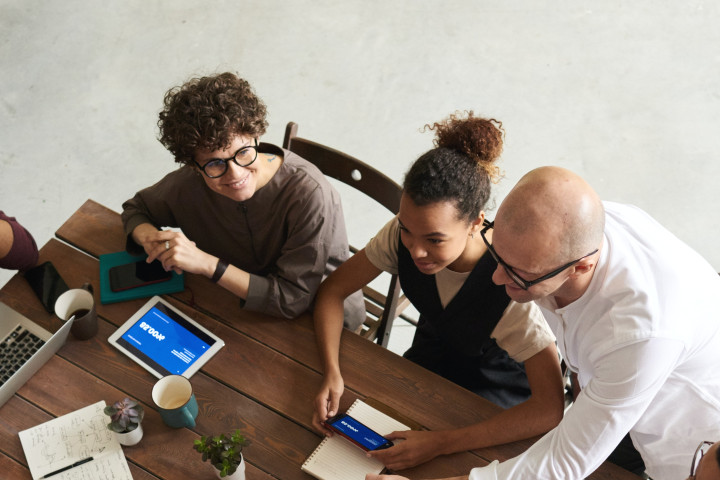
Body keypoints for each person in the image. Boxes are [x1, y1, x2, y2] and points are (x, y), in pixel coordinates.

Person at [371, 166, 720, 480]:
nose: (495, 278)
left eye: (519, 275)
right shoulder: (570, 226)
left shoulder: (640, 333)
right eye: (498, 256)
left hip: (687, 437)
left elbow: (564, 464)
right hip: (612, 382)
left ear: (580, 267)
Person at [312, 113, 565, 470]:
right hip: (431, 362)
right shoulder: (404, 236)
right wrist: (332, 373)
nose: (415, 251)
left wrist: (440, 444)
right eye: (407, 230)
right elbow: (332, 293)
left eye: (434, 240)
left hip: (494, 397)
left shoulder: (511, 290)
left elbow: (550, 408)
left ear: (477, 222)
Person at [121, 72, 364, 326]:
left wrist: (206, 263)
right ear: (193, 166)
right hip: (235, 303)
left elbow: (291, 299)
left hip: (319, 317)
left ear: (256, 135)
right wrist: (153, 240)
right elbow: (137, 209)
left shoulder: (310, 194)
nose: (235, 175)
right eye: (215, 163)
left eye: (244, 152)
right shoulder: (190, 183)